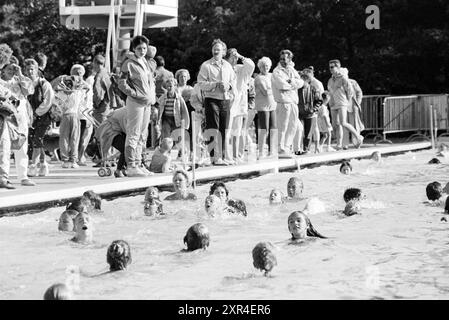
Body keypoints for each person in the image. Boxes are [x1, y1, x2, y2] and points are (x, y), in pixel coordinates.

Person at [118, 36, 156, 177]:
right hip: (135, 102)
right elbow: (121, 83)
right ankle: (131, 165)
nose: (142, 51)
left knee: (143, 135)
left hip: (147, 103)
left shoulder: (145, 62)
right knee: (133, 133)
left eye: (145, 48)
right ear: (134, 49)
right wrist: (134, 94)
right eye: (139, 48)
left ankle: (139, 163)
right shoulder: (128, 63)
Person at [197, 39, 237, 165]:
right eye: (214, 49)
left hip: (225, 100)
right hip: (211, 100)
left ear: (223, 52)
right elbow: (201, 84)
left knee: (224, 129)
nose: (215, 51)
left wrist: (229, 87)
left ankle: (224, 156)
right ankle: (215, 157)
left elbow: (233, 81)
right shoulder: (206, 65)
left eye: (218, 50)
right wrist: (215, 85)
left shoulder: (228, 66)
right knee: (213, 128)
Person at [0, 59, 36, 187]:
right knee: (4, 147)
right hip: (6, 118)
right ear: (3, 69)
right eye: (8, 68)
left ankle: (23, 176)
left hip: (21, 118)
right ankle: (4, 177)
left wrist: (20, 74)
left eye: (13, 69)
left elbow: (30, 91)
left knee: (22, 146)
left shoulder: (19, 81)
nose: (11, 71)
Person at [53, 65, 90, 168]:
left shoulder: (77, 90)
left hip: (71, 115)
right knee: (71, 138)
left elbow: (87, 88)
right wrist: (64, 78)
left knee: (69, 138)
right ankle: (69, 160)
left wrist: (74, 80)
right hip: (70, 115)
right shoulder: (70, 90)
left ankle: (69, 160)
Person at [24, 58, 54, 177]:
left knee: (37, 140)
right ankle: (43, 165)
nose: (30, 72)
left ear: (37, 70)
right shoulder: (25, 83)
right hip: (29, 118)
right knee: (34, 141)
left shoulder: (44, 84)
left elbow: (48, 101)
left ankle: (33, 166)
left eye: (32, 69)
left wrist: (36, 114)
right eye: (27, 70)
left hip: (43, 117)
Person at [224, 48, 255, 163]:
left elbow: (251, 65)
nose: (235, 58)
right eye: (232, 56)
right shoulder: (223, 69)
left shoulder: (240, 69)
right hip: (227, 103)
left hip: (239, 105)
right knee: (226, 131)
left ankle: (236, 155)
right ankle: (226, 156)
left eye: (236, 56)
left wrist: (241, 57)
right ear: (227, 58)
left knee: (237, 132)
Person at [271, 49, 304, 155]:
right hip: (283, 101)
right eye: (281, 59)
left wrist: (292, 82)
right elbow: (281, 86)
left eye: (285, 59)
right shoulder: (277, 71)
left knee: (293, 125)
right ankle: (280, 147)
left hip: (293, 101)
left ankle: (287, 146)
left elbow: (301, 82)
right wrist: (293, 84)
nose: (283, 61)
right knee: (282, 125)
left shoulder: (292, 70)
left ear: (289, 59)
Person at [327, 60, 363, 149]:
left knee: (343, 122)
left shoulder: (343, 78)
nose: (330, 69)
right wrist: (330, 101)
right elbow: (330, 92)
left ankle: (358, 137)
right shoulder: (330, 80)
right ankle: (339, 144)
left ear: (338, 67)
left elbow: (350, 91)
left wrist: (347, 101)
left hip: (342, 102)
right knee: (335, 124)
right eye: (329, 67)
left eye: (332, 67)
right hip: (333, 103)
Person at [95, 107, 129, 177]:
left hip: (113, 129)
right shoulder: (128, 113)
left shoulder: (125, 110)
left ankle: (123, 168)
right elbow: (126, 128)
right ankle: (119, 170)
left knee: (126, 147)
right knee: (125, 149)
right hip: (110, 131)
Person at [254, 57, 277, 159]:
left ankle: (272, 151)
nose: (265, 68)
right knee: (264, 129)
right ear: (260, 67)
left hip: (273, 105)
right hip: (263, 106)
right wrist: (275, 90)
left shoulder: (272, 76)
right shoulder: (259, 78)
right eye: (263, 66)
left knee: (273, 128)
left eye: (267, 66)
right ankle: (261, 152)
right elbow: (265, 92)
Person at [157, 78, 190, 142]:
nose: (169, 88)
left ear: (175, 86)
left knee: (177, 135)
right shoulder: (163, 97)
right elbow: (159, 108)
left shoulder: (179, 98)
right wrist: (158, 119)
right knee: (166, 135)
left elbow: (184, 110)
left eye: (170, 86)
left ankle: (179, 149)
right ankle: (166, 149)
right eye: (167, 87)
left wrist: (185, 122)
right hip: (166, 118)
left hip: (176, 118)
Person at [297, 70, 322, 154]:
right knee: (298, 131)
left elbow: (319, 100)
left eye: (305, 78)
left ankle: (306, 149)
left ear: (308, 79)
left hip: (310, 114)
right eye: (302, 78)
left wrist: (314, 109)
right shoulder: (297, 89)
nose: (303, 80)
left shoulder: (313, 89)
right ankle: (297, 148)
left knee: (308, 133)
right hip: (299, 113)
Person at [341, 68, 364, 148]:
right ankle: (345, 145)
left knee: (355, 125)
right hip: (343, 107)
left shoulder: (352, 82)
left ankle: (356, 143)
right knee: (344, 125)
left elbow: (359, 92)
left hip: (352, 107)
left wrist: (357, 103)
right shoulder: (338, 82)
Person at [91, 54, 112, 126]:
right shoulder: (106, 73)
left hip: (101, 109)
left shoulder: (99, 75)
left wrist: (95, 106)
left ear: (95, 63)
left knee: (100, 132)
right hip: (108, 106)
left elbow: (98, 94)